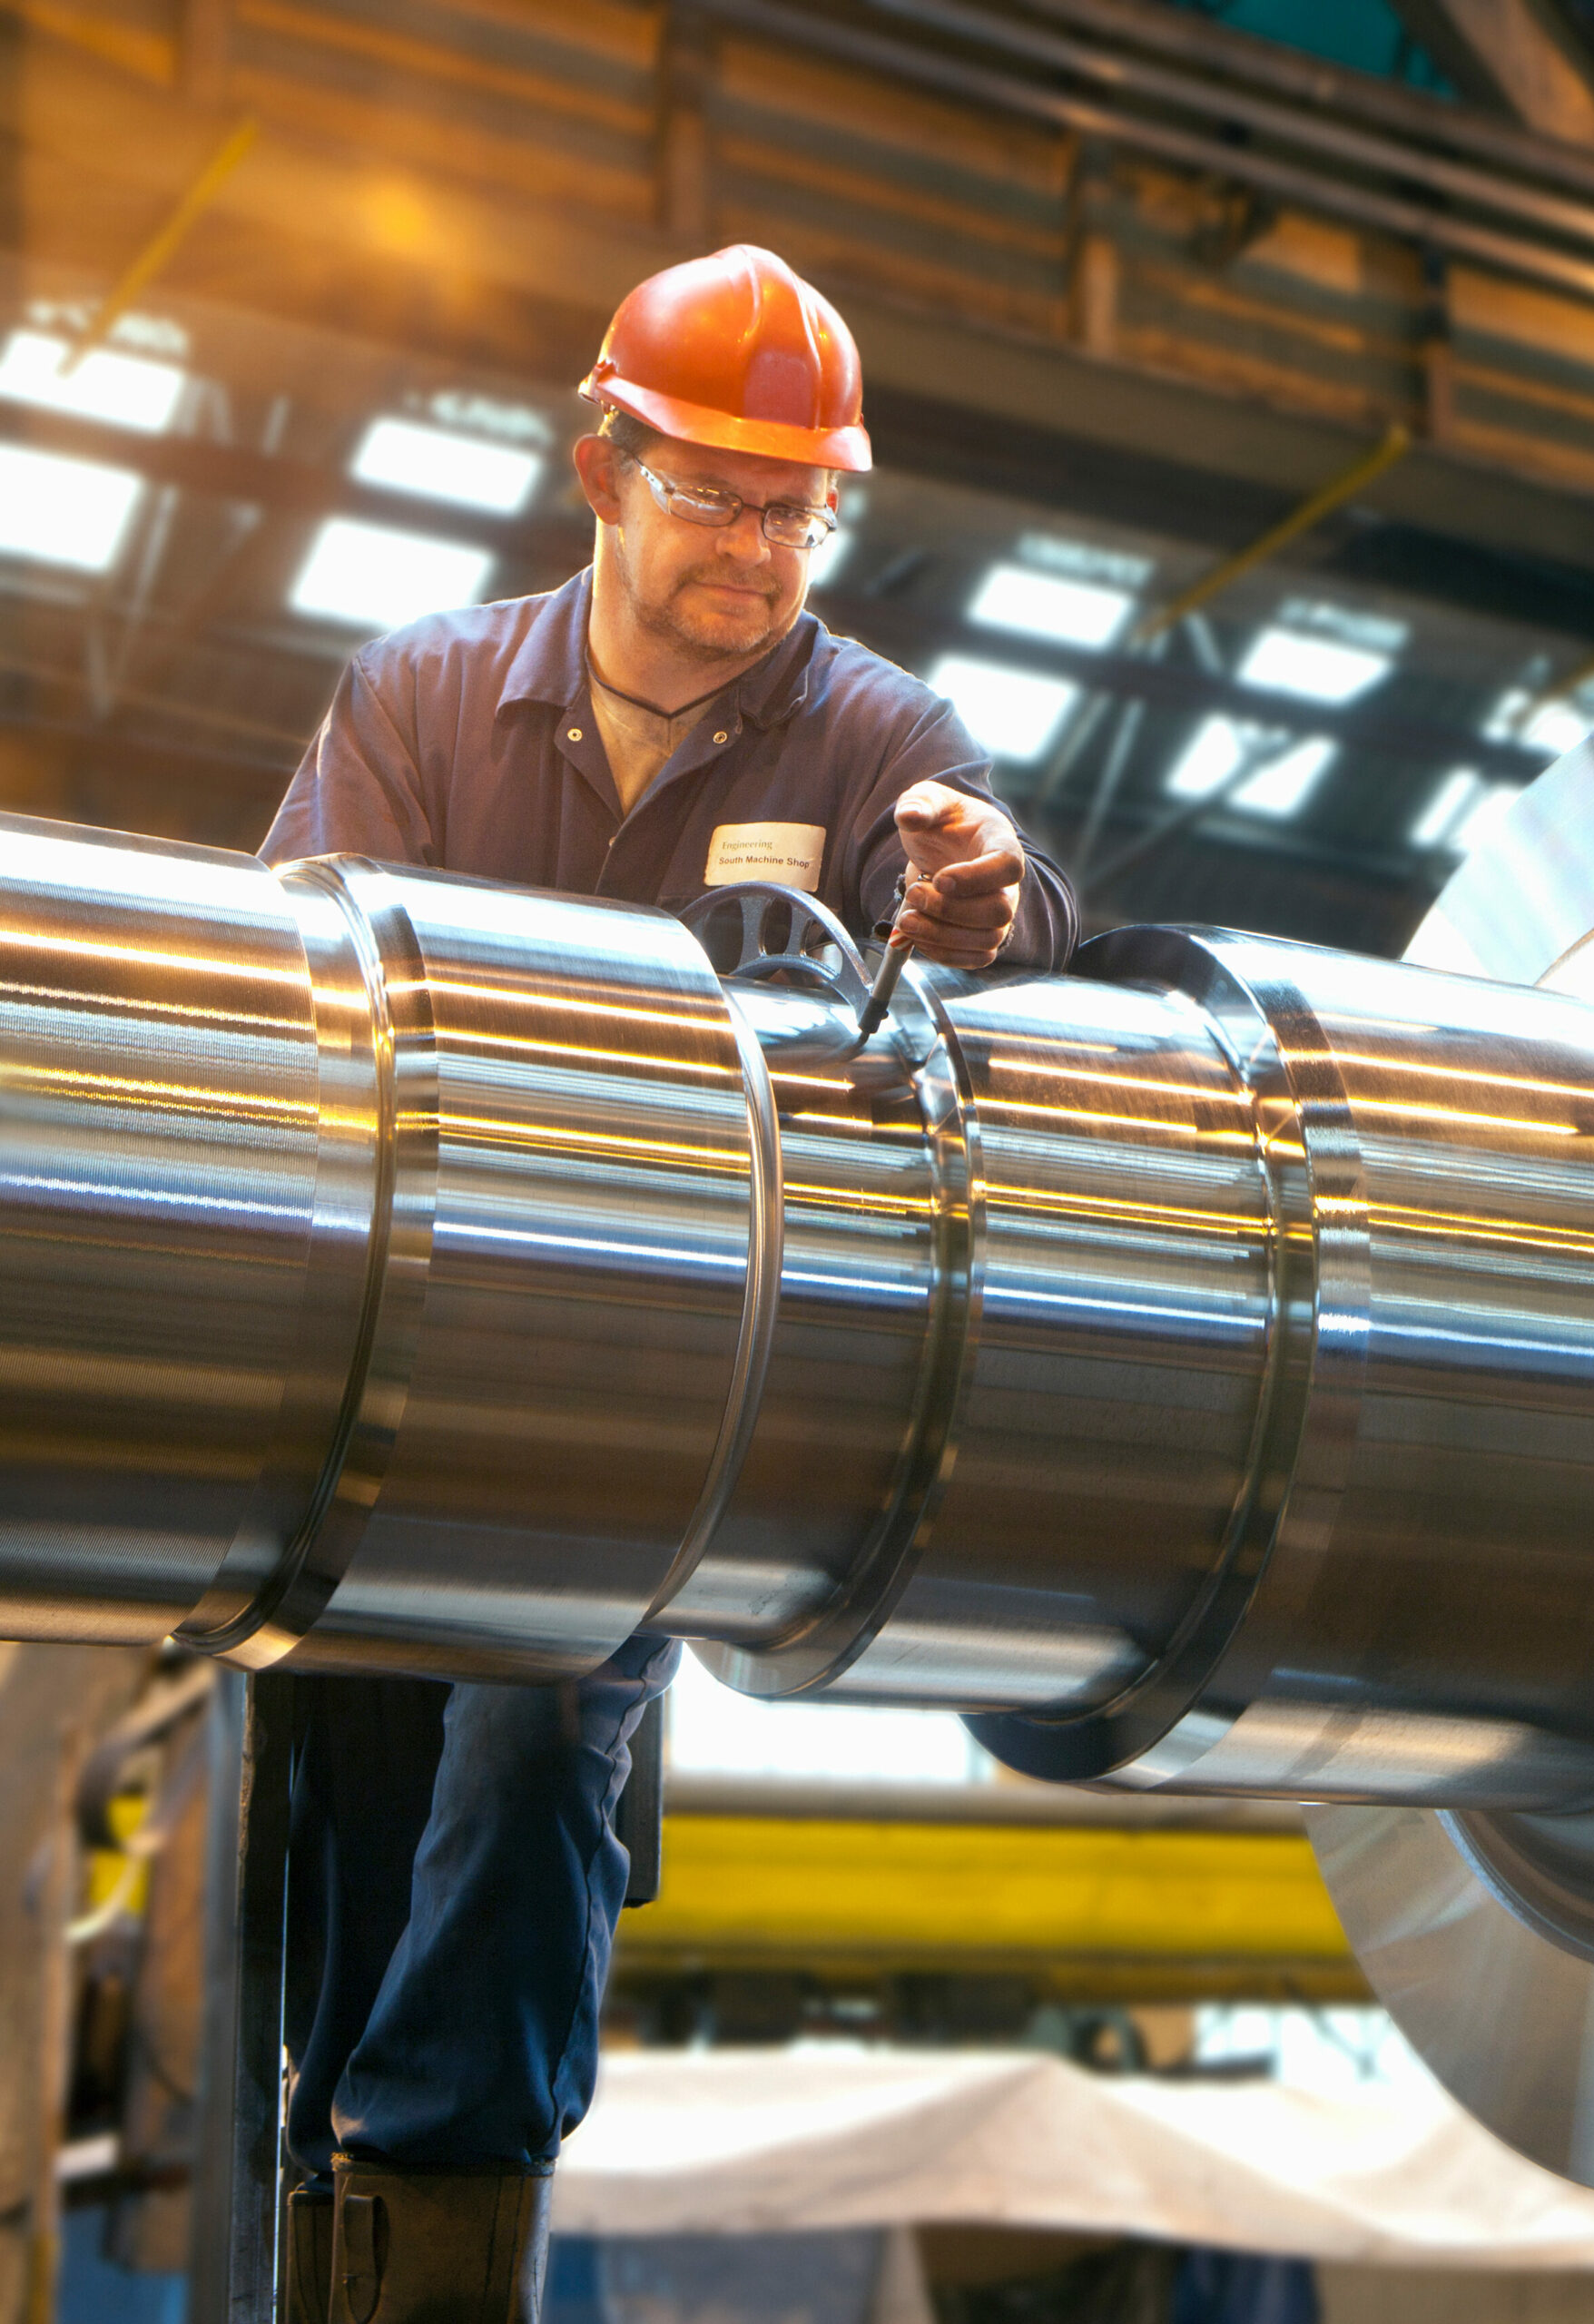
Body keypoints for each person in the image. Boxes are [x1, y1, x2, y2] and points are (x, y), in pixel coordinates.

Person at [261, 242, 1078, 2324]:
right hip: (400, 1352)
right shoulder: (425, 699)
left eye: (805, 507)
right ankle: (318, 2182)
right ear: (600, 465)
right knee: (343, 1777)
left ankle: (449, 2219)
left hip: (665, 1394)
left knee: (543, 1732)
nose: (764, 545)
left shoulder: (878, 732)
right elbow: (298, 996)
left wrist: (996, 910)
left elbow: (1006, 937)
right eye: (718, 489)